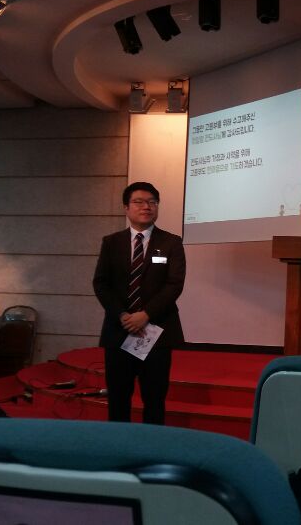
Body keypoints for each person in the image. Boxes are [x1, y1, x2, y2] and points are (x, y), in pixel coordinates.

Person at [93, 181, 186, 424]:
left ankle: (151, 443)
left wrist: (145, 315)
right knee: (118, 398)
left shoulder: (171, 242)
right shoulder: (111, 242)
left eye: (152, 202)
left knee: (154, 399)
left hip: (156, 332)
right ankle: (119, 443)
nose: (146, 206)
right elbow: (101, 283)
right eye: (139, 202)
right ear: (126, 207)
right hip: (119, 330)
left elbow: (174, 284)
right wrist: (122, 315)